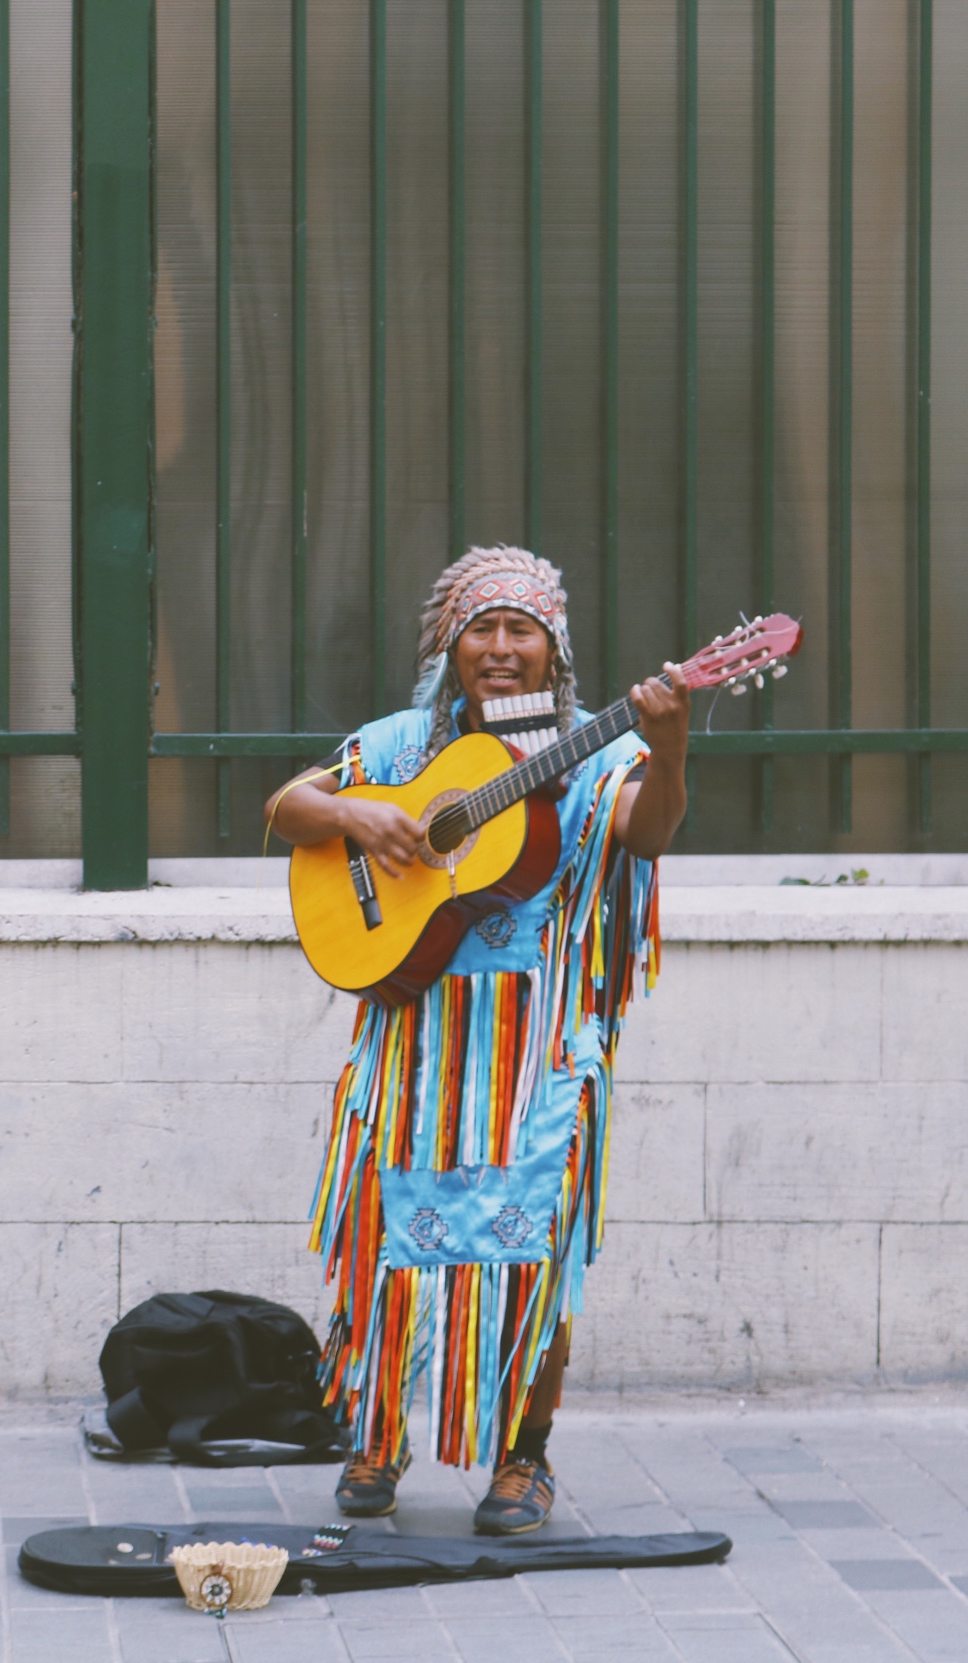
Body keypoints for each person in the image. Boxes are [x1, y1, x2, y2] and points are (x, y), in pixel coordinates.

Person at [265, 546, 690, 1533]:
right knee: (385, 1248)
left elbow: (646, 830)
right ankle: (376, 1435)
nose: (500, 649)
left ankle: (520, 1459)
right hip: (414, 1046)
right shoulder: (399, 745)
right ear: (447, 645)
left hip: (535, 1051)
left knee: (533, 1253)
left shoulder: (590, 749)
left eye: (521, 630)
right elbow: (288, 805)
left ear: (553, 649)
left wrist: (667, 750)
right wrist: (354, 814)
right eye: (480, 629)